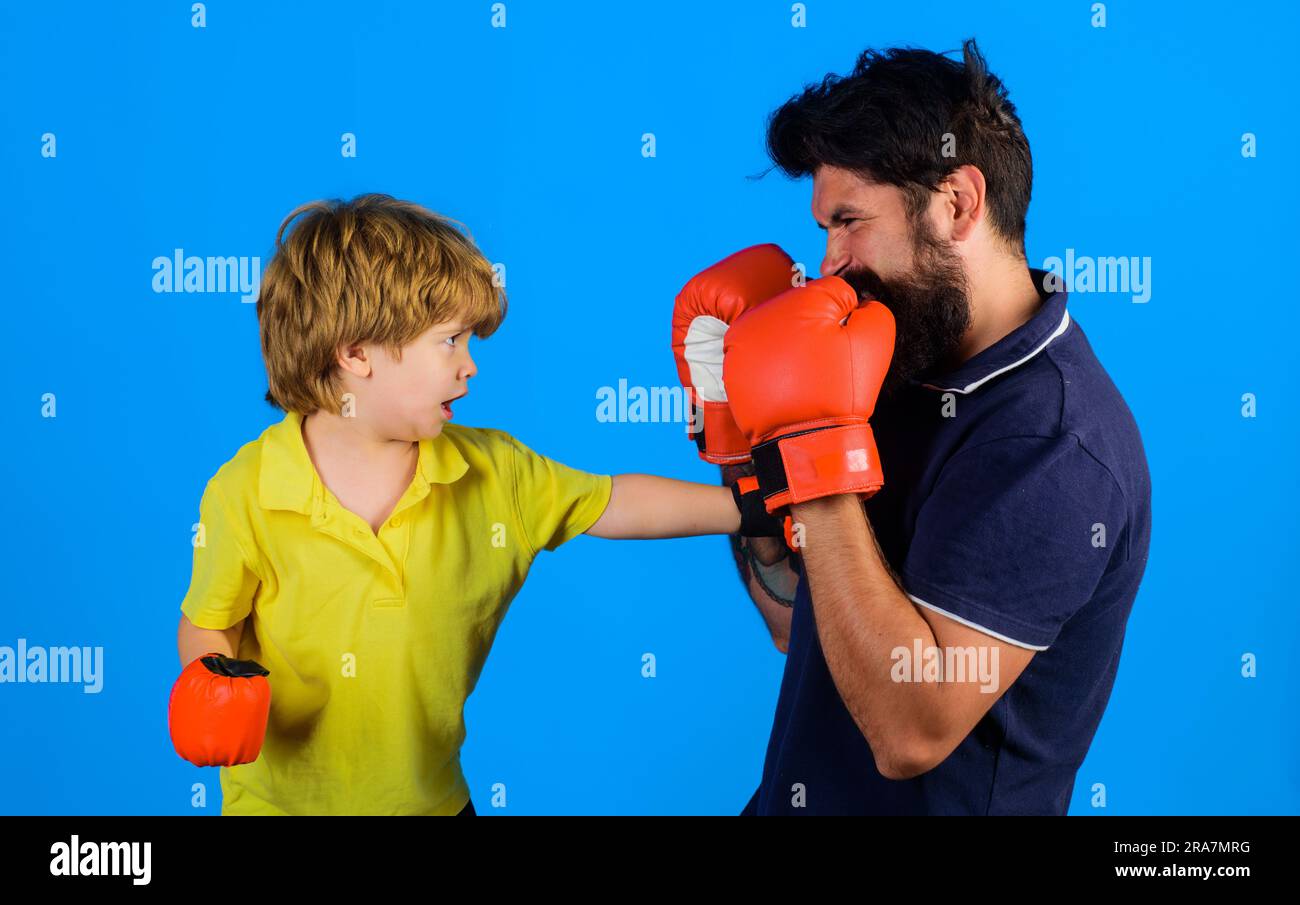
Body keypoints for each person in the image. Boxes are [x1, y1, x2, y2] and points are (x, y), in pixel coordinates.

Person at [167, 194, 775, 816]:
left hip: (434, 805)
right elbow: (210, 615)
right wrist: (211, 674)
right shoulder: (247, 488)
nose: (470, 367)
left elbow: (614, 501)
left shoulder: (494, 471)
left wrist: (756, 506)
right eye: (450, 342)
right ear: (355, 354)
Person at [700, 39, 1151, 815]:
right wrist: (745, 447)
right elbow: (790, 619)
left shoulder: (1053, 444)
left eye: (849, 221)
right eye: (823, 228)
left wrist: (810, 449)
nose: (828, 263)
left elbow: (910, 732)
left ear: (957, 204)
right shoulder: (892, 356)